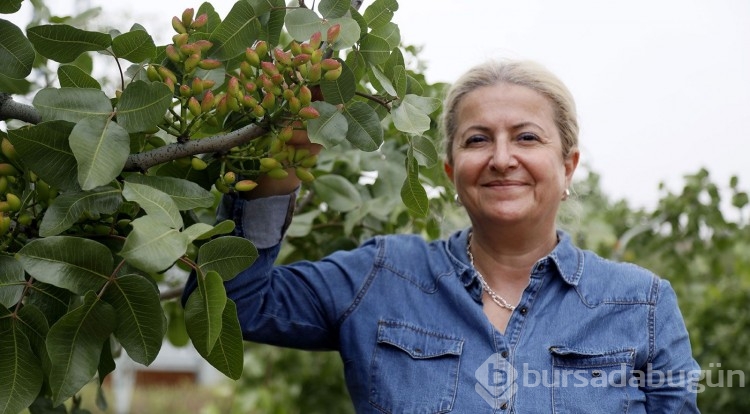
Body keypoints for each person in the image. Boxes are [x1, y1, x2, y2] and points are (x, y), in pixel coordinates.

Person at [184, 59, 701, 412]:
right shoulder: (380, 276)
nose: (502, 158)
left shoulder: (642, 304)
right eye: (479, 140)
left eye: (526, 137)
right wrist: (280, 170)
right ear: (452, 172)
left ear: (567, 167)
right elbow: (229, 304)